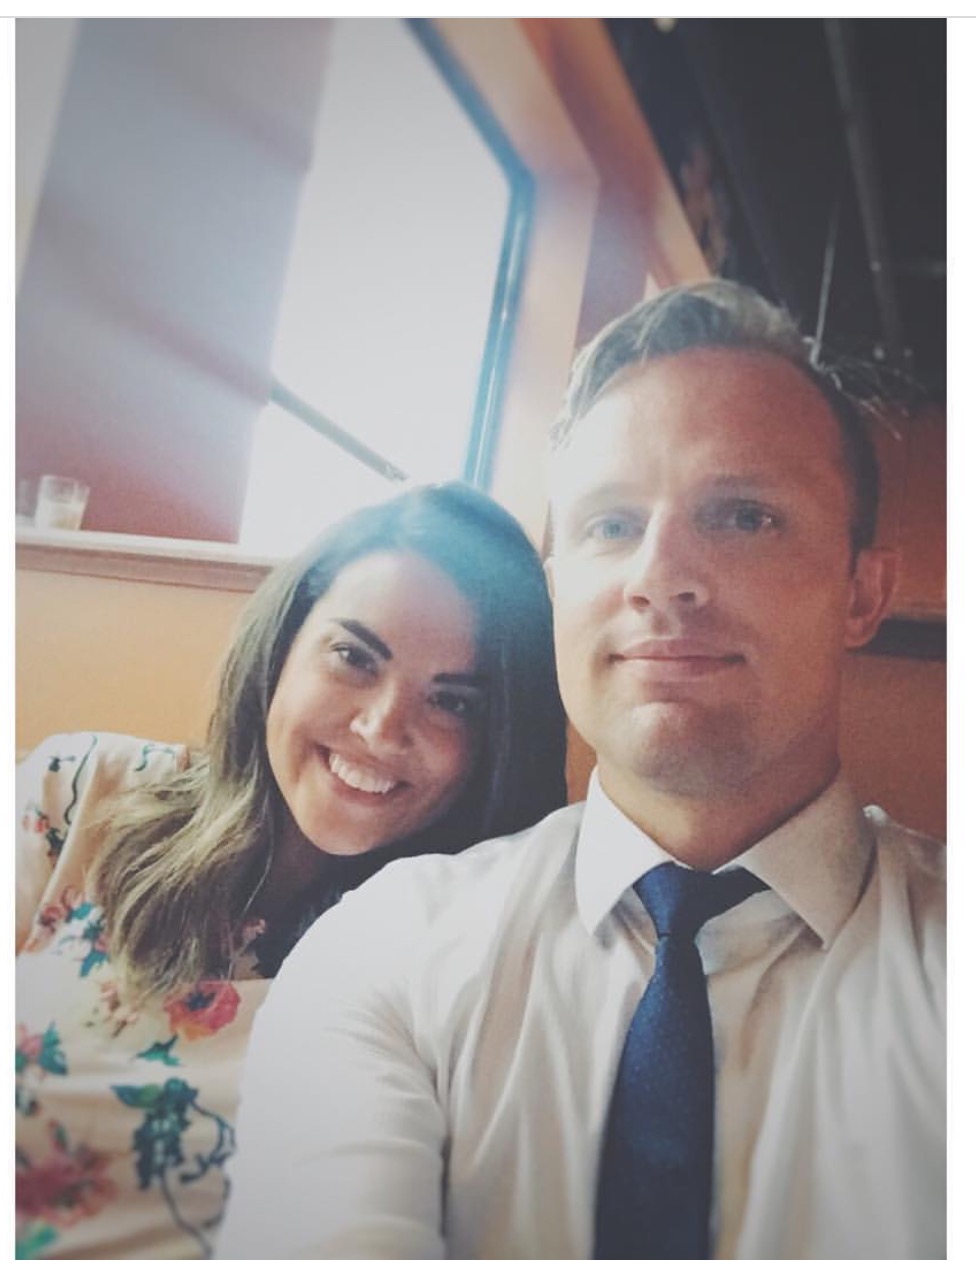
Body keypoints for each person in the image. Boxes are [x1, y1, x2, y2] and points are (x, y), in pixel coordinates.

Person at [219, 280, 945, 1260]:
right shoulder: (390, 947)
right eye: (609, 524)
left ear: (862, 591)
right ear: (558, 586)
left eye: (743, 516)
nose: (660, 575)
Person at [14, 481, 567, 1259]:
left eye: (454, 702)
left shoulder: (464, 967)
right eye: (354, 657)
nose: (382, 728)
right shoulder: (76, 794)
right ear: (282, 648)